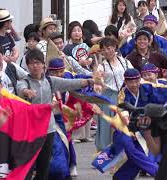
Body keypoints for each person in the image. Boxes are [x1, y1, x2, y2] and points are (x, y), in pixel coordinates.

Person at [16, 49, 95, 180]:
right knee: (29, 167)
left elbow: (71, 84)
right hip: (31, 130)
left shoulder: (50, 81)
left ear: (43, 65)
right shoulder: (25, 81)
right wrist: (26, 92)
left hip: (48, 129)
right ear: (27, 66)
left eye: (37, 63)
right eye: (31, 63)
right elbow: (20, 88)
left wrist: (88, 81)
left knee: (44, 166)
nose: (35, 66)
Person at [95, 37, 133, 151]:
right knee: (107, 123)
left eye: (109, 48)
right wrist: (99, 82)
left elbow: (133, 74)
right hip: (109, 96)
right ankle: (106, 149)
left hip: (124, 95)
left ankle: (124, 148)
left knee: (124, 122)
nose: (107, 51)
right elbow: (97, 82)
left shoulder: (125, 62)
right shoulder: (102, 66)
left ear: (115, 47)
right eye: (104, 49)